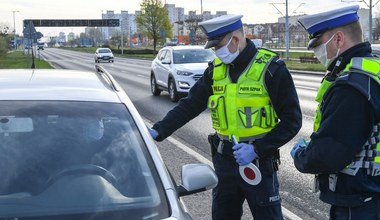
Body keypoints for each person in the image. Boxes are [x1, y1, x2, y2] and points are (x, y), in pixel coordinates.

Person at [149, 14, 302, 219]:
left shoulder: (271, 68)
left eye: (217, 46)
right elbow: (191, 105)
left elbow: (292, 121)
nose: (216, 52)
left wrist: (257, 149)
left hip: (259, 163)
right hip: (224, 162)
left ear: (236, 40)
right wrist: (158, 130)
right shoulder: (215, 70)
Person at [291, 5, 380, 219]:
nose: (316, 52)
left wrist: (302, 156)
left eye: (318, 44)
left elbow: (328, 155)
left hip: (358, 203)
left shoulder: (351, 87)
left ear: (338, 39)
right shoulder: (373, 68)